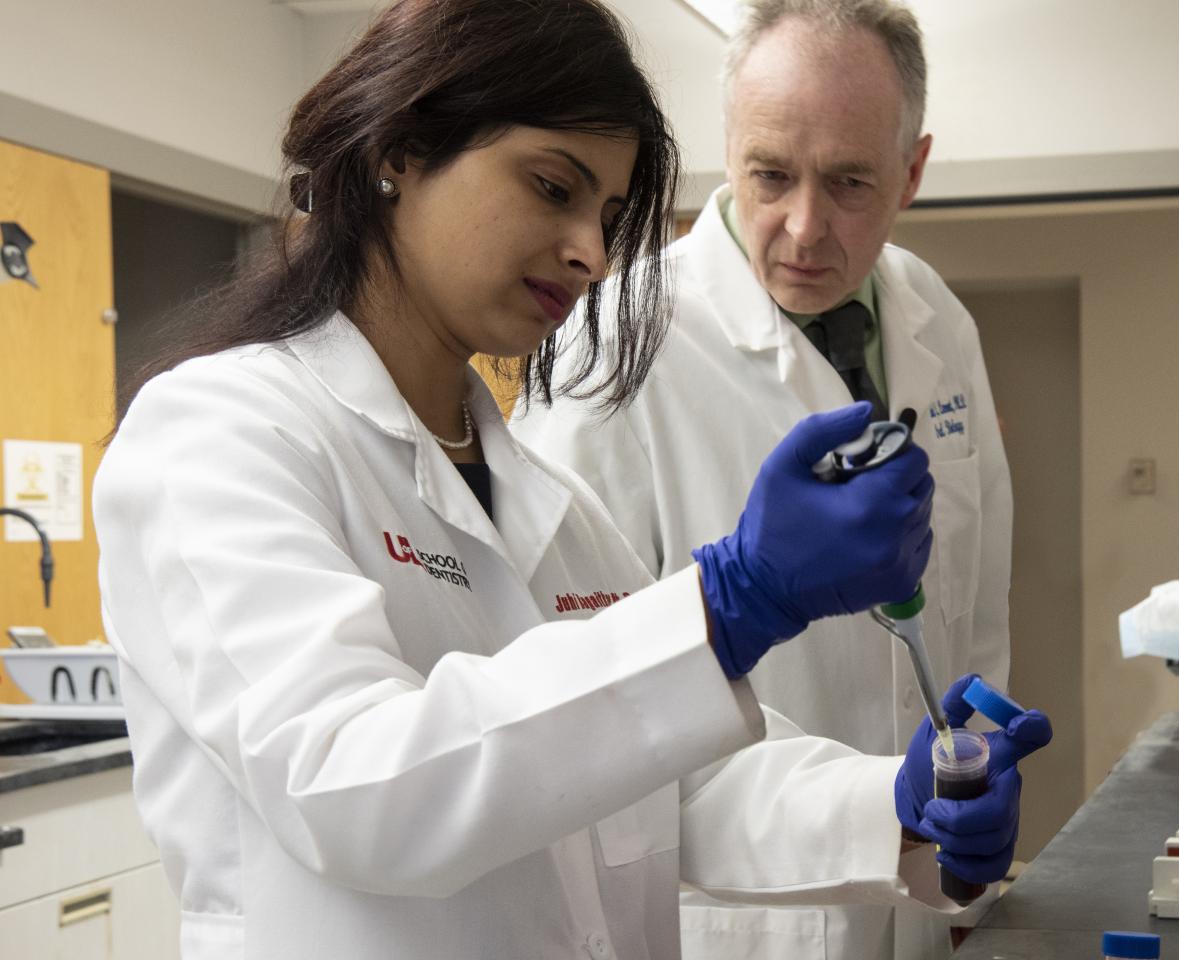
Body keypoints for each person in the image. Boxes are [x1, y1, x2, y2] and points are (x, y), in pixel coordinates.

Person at [92, 2, 1049, 959]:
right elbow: (351, 785)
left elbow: (668, 776)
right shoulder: (217, 435)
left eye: (608, 215)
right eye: (554, 188)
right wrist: (728, 603)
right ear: (402, 149)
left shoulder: (545, 501)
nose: (593, 252)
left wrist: (892, 805)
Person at [510, 0, 1014, 956]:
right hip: (739, 921)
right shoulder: (613, 344)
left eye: (852, 181)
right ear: (729, 150)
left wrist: (972, 787)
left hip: (927, 909)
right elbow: (572, 700)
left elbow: (976, 608)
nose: (803, 227)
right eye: (769, 176)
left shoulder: (936, 320)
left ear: (913, 170)